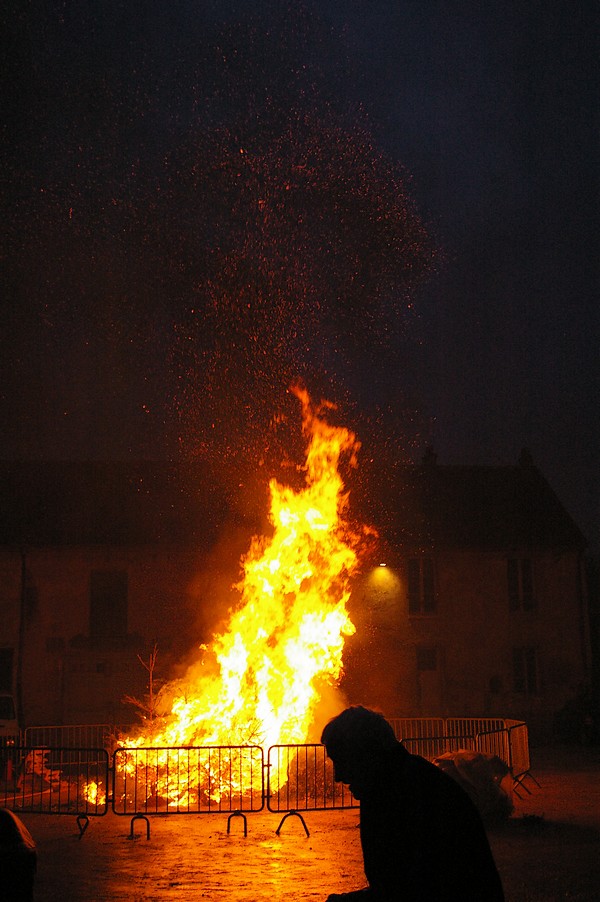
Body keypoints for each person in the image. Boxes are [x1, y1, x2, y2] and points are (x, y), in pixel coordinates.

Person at [321, 706, 505, 901]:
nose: (338, 776)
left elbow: (408, 890)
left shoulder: (402, 795)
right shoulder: (404, 781)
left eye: (341, 761)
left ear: (366, 754)